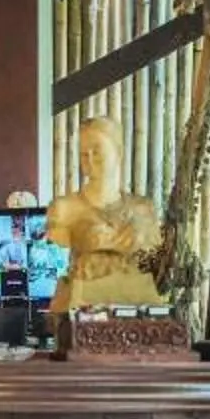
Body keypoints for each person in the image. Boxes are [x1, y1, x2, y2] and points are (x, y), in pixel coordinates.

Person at [44, 117, 167, 312]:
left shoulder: (143, 209)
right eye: (84, 154)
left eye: (97, 151)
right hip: (83, 307)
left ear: (118, 153)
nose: (90, 160)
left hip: (133, 307)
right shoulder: (64, 208)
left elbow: (156, 259)